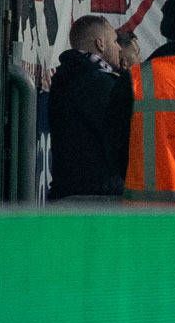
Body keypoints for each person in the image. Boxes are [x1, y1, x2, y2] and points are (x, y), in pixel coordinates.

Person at [49, 13, 135, 201]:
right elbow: (122, 136)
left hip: (71, 194)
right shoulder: (96, 83)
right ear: (100, 44)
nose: (119, 48)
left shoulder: (67, 76)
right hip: (96, 198)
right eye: (114, 41)